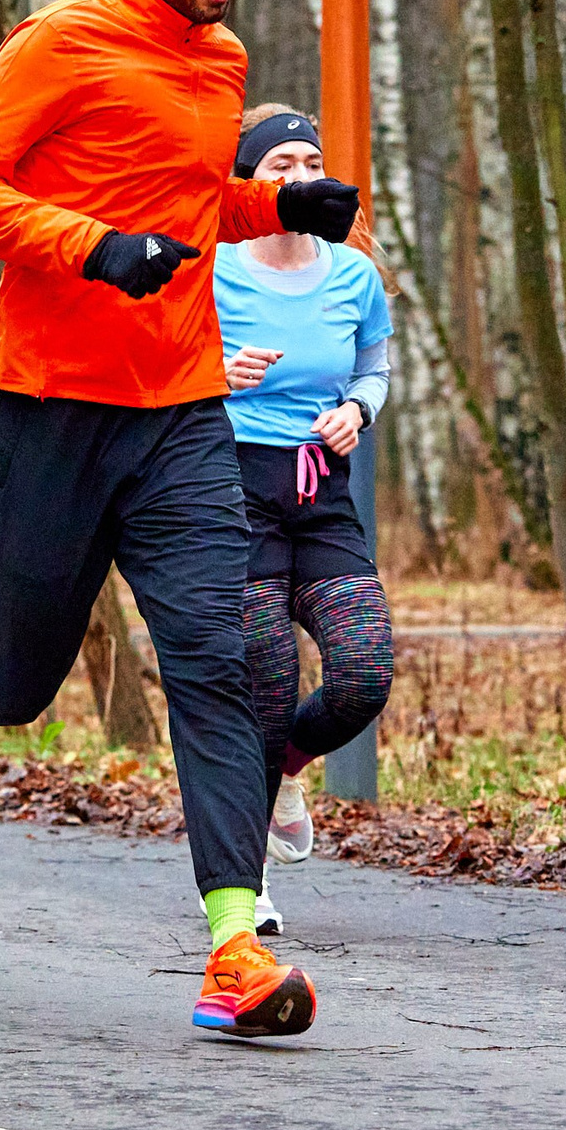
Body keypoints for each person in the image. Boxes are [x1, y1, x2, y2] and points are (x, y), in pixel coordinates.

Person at [0, 0, 359, 1038]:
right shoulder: (58, 43)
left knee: (217, 668)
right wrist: (92, 247)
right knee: (17, 681)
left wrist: (274, 206)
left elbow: (185, 194)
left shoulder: (222, 62)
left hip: (180, 415)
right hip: (47, 409)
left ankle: (234, 945)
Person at [213, 106, 398, 937]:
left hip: (323, 489)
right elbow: (148, 357)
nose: (298, 176)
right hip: (229, 484)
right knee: (264, 680)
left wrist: (359, 406)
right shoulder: (210, 268)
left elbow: (375, 363)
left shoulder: (352, 274)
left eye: (310, 161)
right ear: (249, 180)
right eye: (279, 162)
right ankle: (241, 885)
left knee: (364, 669)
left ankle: (291, 761)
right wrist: (213, 370)